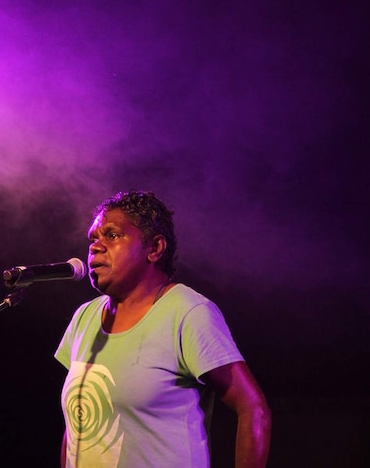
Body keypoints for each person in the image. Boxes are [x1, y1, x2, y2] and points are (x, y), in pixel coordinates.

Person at [55, 190, 271, 467]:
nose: (95, 247)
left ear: (155, 248)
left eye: (112, 235)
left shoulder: (187, 312)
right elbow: (76, 427)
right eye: (93, 239)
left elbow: (253, 409)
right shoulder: (84, 317)